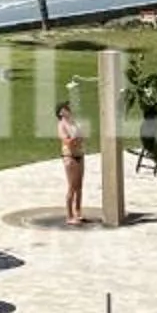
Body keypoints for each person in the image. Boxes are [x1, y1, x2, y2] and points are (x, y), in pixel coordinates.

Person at [56, 97, 86, 226]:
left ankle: (78, 211)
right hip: (70, 157)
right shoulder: (62, 125)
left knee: (79, 186)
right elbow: (67, 141)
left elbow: (81, 138)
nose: (69, 110)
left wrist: (77, 140)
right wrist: (75, 140)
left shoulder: (74, 122)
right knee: (72, 186)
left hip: (79, 155)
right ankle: (69, 215)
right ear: (61, 112)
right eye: (66, 108)